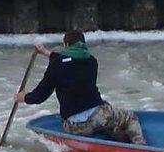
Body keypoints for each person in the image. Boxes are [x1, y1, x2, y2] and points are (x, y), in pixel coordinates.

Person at [14, 30, 146, 145]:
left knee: (100, 123)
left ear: (66, 45)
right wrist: (45, 52)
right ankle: (139, 148)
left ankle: (109, 134)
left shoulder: (56, 65)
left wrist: (23, 97)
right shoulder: (92, 62)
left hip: (74, 125)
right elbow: (70, 60)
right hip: (99, 116)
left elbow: (40, 96)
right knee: (130, 117)